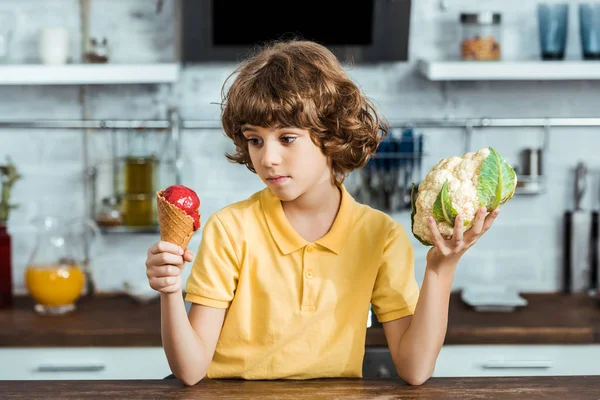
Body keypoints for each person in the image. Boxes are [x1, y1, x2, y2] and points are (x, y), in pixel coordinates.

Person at [144, 39, 500, 386]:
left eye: (287, 138)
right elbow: (190, 371)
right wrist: (170, 290)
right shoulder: (231, 228)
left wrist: (440, 268)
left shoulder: (380, 235)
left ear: (332, 136)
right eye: (255, 140)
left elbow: (415, 368)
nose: (267, 158)